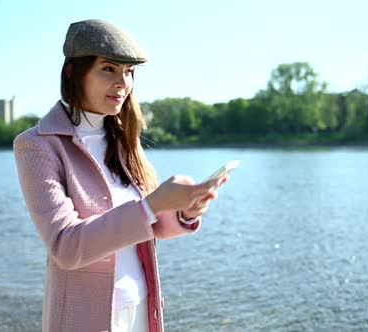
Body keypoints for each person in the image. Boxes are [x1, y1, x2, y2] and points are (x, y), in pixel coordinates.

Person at [13, 19, 227, 332]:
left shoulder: (124, 140)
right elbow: (66, 247)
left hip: (142, 308)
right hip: (84, 317)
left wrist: (184, 211)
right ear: (74, 71)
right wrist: (153, 204)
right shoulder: (36, 145)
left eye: (129, 72)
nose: (122, 83)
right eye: (108, 69)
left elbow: (151, 228)